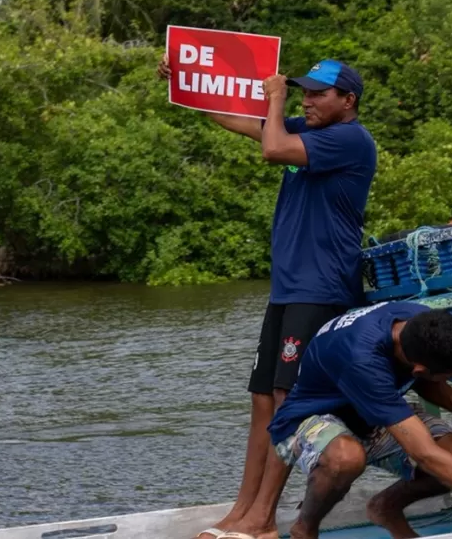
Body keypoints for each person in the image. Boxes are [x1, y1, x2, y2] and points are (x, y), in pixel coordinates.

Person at [157, 55, 378, 539]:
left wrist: (275, 97)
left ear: (348, 101)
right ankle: (242, 510)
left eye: (318, 93)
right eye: (303, 91)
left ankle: (263, 520)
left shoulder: (350, 139)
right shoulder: (309, 131)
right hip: (289, 288)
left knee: (286, 398)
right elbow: (240, 123)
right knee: (262, 398)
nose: (307, 100)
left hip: (322, 287)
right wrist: (187, 86)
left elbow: (273, 148)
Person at [221, 301, 452, 539]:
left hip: (373, 412)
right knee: (346, 458)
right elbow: (425, 455)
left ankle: (386, 507)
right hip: (307, 418)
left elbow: (429, 380)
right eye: (450, 374)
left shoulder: (419, 322)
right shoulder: (363, 359)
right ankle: (305, 528)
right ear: (418, 368)